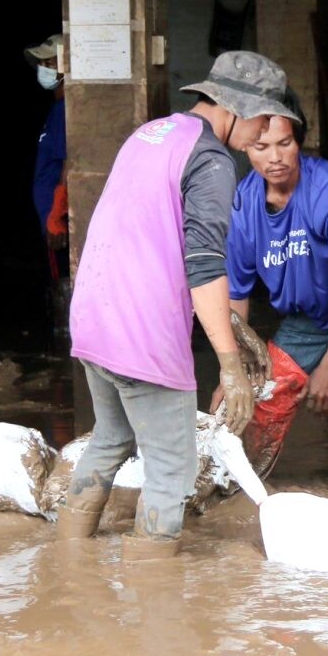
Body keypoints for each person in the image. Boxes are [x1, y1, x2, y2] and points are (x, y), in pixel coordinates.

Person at [59, 51, 299, 561]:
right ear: (236, 107)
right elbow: (205, 265)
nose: (262, 133)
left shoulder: (152, 134)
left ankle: (68, 561)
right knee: (172, 467)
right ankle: (155, 601)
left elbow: (150, 239)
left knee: (111, 437)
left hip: (94, 316)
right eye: (261, 119)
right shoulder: (212, 162)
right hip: (141, 331)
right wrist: (230, 365)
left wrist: (233, 324)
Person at [214, 87, 328, 416]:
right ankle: (250, 470)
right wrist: (233, 370)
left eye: (284, 144)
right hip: (312, 316)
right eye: (262, 146)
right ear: (247, 145)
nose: (274, 158)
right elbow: (236, 294)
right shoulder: (243, 204)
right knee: (259, 404)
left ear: (298, 141)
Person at [24, 33, 71, 338]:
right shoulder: (57, 109)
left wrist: (56, 216)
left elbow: (69, 164)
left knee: (63, 285)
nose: (42, 66)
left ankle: (70, 345)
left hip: (58, 220)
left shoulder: (66, 110)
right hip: (51, 216)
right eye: (41, 61)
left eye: (49, 61)